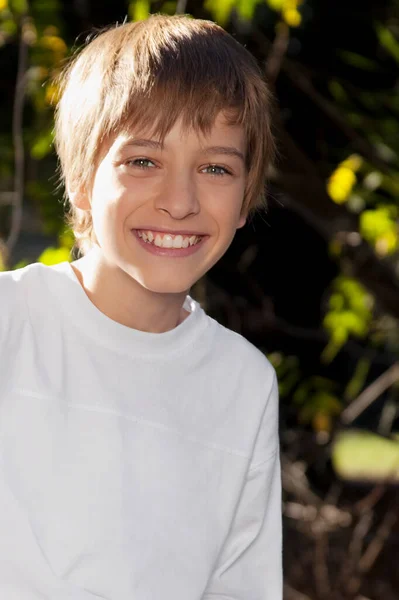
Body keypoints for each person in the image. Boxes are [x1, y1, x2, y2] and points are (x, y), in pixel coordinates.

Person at [0, 13, 282, 600]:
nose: (180, 201)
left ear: (245, 198)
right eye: (144, 161)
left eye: (215, 168)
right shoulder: (11, 323)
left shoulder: (244, 385)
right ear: (82, 178)